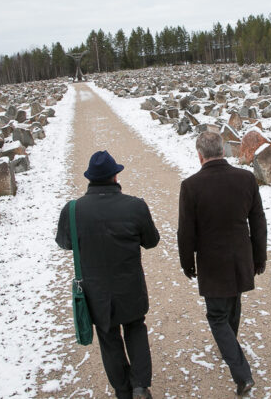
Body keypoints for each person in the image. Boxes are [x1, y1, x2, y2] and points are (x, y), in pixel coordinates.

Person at [56, 150, 160, 399]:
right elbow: (152, 241)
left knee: (108, 336)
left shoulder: (72, 210)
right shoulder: (135, 206)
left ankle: (123, 391)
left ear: (90, 179)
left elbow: (64, 243)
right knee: (135, 328)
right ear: (115, 176)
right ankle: (140, 386)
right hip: (130, 285)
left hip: (96, 290)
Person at [177, 131, 268, 397]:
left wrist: (187, 261)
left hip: (212, 260)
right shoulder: (246, 178)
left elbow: (186, 231)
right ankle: (230, 346)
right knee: (233, 302)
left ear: (200, 155)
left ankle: (242, 375)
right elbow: (259, 222)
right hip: (241, 256)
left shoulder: (191, 186)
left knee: (217, 316)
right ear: (224, 151)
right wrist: (259, 256)